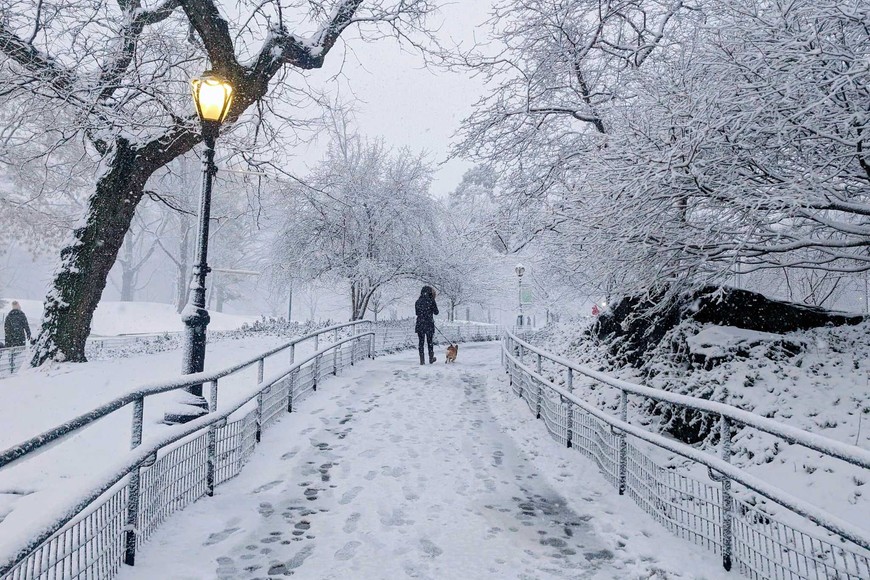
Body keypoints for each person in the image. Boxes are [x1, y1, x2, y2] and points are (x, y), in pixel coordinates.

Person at [414, 286, 439, 365]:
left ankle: (422, 360)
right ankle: (431, 358)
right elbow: (436, 312)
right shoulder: (431, 301)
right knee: (430, 342)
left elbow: (417, 313)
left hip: (420, 324)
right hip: (429, 324)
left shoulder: (417, 301)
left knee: (421, 342)